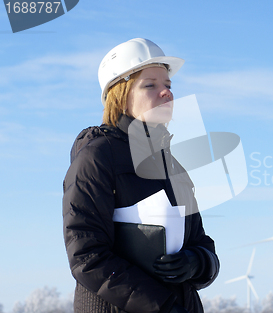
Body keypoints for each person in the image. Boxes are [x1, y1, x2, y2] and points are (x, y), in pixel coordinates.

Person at [63, 38, 219, 313]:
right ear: (120, 95)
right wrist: (162, 305)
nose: (166, 93)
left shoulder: (173, 166)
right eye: (151, 85)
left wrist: (196, 261)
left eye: (168, 85)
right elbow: (86, 256)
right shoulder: (97, 157)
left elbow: (201, 241)